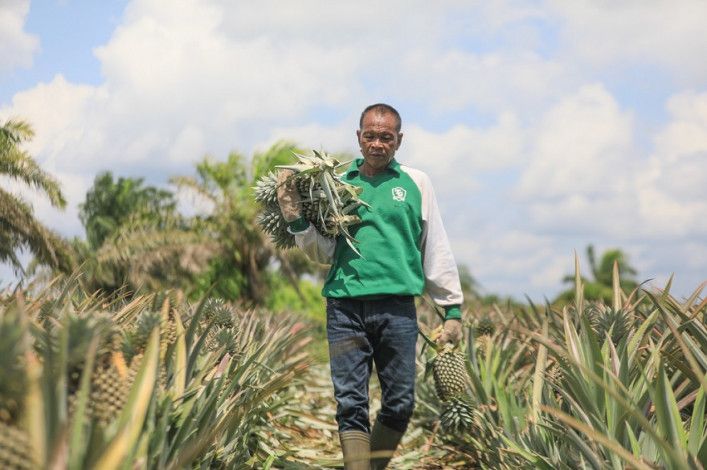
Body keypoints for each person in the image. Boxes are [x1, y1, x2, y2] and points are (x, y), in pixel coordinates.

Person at [277, 103, 463, 470]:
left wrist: (452, 309)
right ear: (358, 138)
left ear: (399, 140)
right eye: (370, 135)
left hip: (397, 310)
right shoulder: (338, 183)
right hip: (345, 308)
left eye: (386, 137)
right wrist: (297, 220)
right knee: (350, 403)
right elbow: (326, 250)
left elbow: (434, 245)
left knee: (400, 403)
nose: (377, 143)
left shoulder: (416, 183)